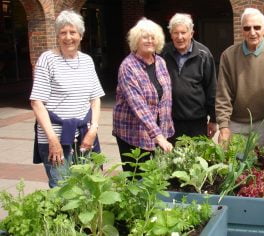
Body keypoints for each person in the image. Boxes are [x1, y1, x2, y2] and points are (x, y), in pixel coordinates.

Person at [30, 10, 105, 188]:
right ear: (57, 35)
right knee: (62, 190)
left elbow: (95, 99)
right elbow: (37, 102)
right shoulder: (47, 59)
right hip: (55, 136)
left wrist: (93, 130)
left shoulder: (87, 61)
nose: (68, 37)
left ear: (81, 35)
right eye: (63, 32)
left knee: (85, 188)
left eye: (73, 32)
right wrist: (53, 140)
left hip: (84, 136)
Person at [216, 7, 264, 150]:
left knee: (263, 168)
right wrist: (223, 127)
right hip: (235, 124)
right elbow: (223, 95)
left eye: (257, 27)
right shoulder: (228, 56)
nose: (252, 32)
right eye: (247, 28)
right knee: (234, 169)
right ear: (242, 30)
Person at [113, 18, 174, 173]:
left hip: (158, 132)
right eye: (145, 37)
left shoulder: (160, 62)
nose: (149, 41)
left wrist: (165, 131)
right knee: (138, 182)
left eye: (153, 37)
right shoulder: (128, 67)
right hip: (133, 134)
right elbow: (138, 105)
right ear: (136, 40)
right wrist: (158, 136)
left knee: (157, 179)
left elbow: (166, 98)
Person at [161, 13, 217, 144]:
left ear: (191, 33)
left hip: (197, 121)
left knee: (197, 161)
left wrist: (214, 119)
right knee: (173, 161)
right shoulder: (163, 53)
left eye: (183, 32)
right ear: (171, 34)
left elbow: (212, 89)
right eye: (175, 33)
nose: (179, 37)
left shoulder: (204, 54)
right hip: (170, 121)